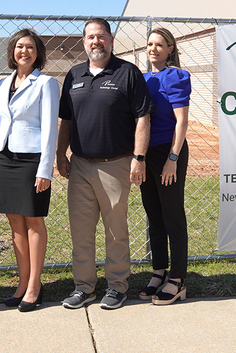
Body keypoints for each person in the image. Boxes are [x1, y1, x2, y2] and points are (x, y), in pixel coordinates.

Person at [57, 18, 153, 310]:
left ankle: (116, 286)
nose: (95, 41)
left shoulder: (127, 73)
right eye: (90, 37)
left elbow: (143, 118)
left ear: (111, 40)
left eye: (101, 36)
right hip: (81, 165)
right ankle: (84, 288)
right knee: (81, 231)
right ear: (84, 42)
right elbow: (66, 121)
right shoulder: (74, 75)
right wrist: (61, 154)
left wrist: (138, 158)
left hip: (116, 164)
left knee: (115, 230)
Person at [0, 29, 58, 312]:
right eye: (19, 47)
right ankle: (22, 282)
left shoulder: (47, 84)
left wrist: (45, 170)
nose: (23, 51)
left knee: (33, 221)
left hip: (31, 159)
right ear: (11, 52)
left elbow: (51, 129)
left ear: (37, 52)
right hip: (5, 158)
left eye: (29, 47)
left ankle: (35, 286)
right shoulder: (3, 84)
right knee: (15, 222)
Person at [138, 27, 191, 305]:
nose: (153, 48)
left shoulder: (177, 77)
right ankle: (159, 270)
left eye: (160, 44)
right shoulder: (142, 78)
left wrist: (172, 159)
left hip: (169, 152)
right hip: (146, 154)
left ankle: (178, 278)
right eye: (149, 44)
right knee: (153, 214)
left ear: (170, 49)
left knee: (172, 215)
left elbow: (181, 122)